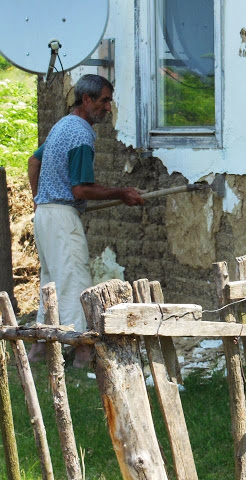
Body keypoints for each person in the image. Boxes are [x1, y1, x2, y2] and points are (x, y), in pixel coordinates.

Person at [27, 74, 144, 367]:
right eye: (104, 100)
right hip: (62, 218)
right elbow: (81, 190)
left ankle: (38, 352)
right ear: (87, 99)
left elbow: (34, 161)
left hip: (45, 216)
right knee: (75, 282)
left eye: (109, 101)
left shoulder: (62, 125)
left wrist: (39, 200)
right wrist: (121, 193)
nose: (108, 107)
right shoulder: (81, 134)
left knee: (51, 283)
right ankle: (81, 356)